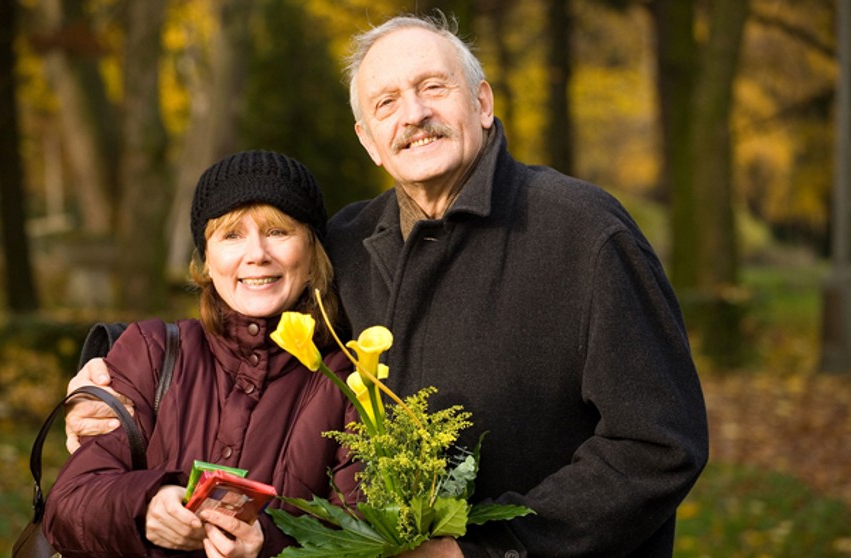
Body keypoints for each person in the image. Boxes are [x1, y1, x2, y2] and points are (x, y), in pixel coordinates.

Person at [68, 13, 708, 558]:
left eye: (434, 87)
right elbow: (249, 331)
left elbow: (657, 444)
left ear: (482, 104)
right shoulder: (347, 243)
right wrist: (106, 375)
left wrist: (487, 548)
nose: (415, 115)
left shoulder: (583, 231)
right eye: (386, 102)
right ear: (368, 140)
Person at [45, 150, 359, 558]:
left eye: (279, 232)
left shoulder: (348, 382)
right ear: (207, 259)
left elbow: (358, 538)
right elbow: (67, 505)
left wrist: (268, 548)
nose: (257, 253)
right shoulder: (152, 350)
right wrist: (146, 505)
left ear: (313, 253)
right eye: (231, 235)